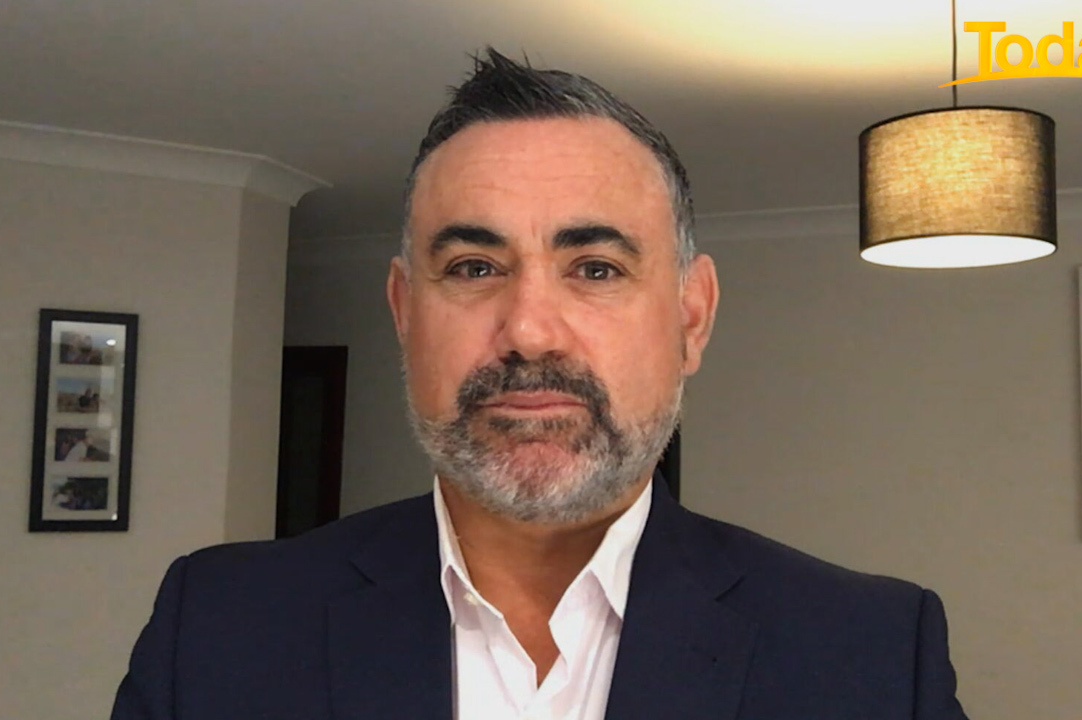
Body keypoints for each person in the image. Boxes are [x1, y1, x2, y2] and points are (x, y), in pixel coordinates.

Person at [111, 49, 969, 719]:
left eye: (595, 268)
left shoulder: (871, 654)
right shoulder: (220, 626)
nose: (528, 330)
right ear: (405, 312)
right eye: (474, 266)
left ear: (691, 317)